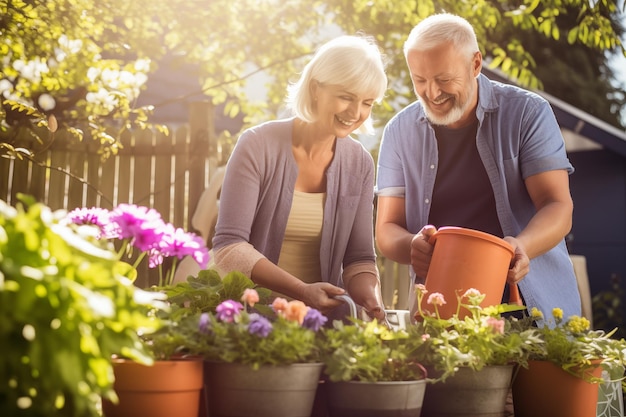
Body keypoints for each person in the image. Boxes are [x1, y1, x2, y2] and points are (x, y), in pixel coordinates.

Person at [375, 13, 581, 325]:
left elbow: (557, 205)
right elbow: (387, 229)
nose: (431, 92)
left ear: (475, 64)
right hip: (441, 310)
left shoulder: (528, 113)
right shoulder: (398, 131)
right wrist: (410, 246)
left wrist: (522, 245)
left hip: (529, 305)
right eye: (420, 80)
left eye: (444, 79)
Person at [212, 34, 388, 321]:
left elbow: (359, 259)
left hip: (320, 325)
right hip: (249, 319)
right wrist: (302, 291)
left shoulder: (359, 164)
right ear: (316, 88)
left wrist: (372, 298)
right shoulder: (257, 145)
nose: (356, 113)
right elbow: (229, 248)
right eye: (346, 97)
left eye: (367, 102)